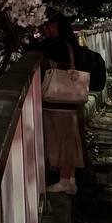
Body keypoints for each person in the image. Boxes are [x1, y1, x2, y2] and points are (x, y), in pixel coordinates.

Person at [29, 13, 84, 195]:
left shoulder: (55, 44)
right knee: (69, 139)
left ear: (58, 27)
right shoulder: (70, 44)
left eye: (50, 26)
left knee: (60, 139)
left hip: (57, 98)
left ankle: (63, 180)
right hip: (69, 99)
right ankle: (70, 179)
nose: (46, 29)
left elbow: (33, 49)